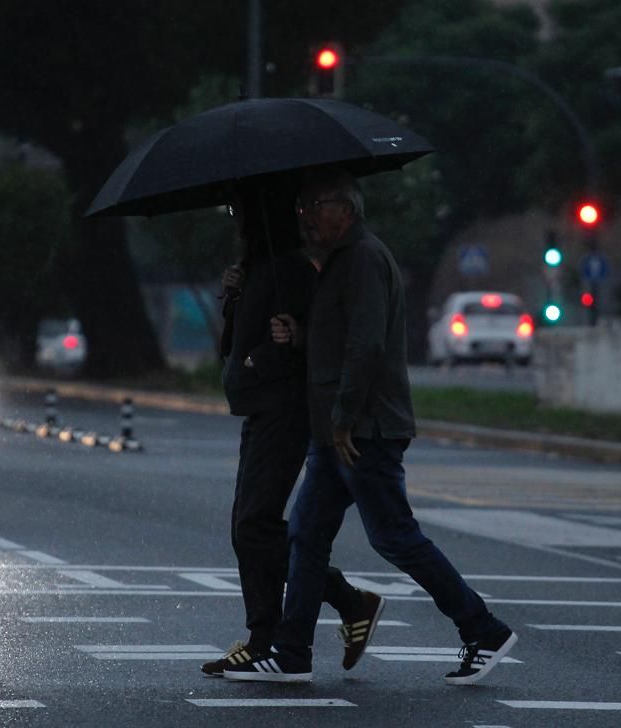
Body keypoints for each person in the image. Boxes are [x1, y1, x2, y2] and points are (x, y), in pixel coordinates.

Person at [222, 168, 516, 684]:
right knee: (307, 538)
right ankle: (292, 654)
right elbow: (338, 337)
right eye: (303, 208)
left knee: (395, 537)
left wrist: (342, 419)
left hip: (364, 431)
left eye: (316, 205)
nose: (306, 216)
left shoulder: (362, 258)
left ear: (346, 208)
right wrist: (300, 332)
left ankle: (483, 629)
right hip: (338, 432)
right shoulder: (340, 261)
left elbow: (367, 345)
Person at [201, 179, 386, 677]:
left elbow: (322, 343)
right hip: (258, 409)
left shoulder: (294, 271)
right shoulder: (258, 270)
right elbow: (229, 349)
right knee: (247, 527)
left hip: (285, 412)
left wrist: (284, 342)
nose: (236, 218)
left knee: (253, 526)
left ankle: (344, 601)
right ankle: (263, 635)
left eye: (240, 208)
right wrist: (236, 298)